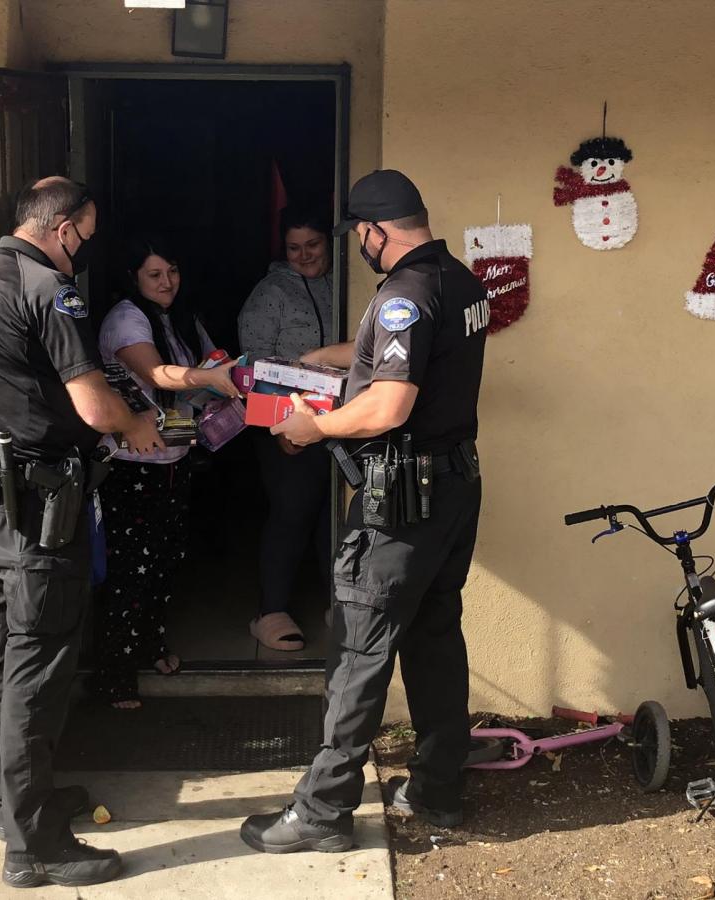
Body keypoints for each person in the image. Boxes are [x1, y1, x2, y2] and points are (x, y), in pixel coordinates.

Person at [239, 170, 489, 853]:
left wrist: (313, 429)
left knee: (357, 650)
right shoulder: (461, 283)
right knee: (436, 638)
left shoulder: (402, 296)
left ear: (378, 231)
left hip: (400, 505)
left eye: (361, 237)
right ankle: (438, 789)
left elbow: (389, 404)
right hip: (452, 492)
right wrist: (333, 357)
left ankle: (321, 814)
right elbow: (412, 357)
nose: (361, 249)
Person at [0, 177, 160, 888]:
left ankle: (20, 803)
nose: (84, 252)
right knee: (38, 671)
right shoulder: (47, 290)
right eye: (86, 237)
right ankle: (33, 848)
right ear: (64, 230)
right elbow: (94, 406)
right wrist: (137, 424)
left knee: (1, 657)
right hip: (41, 512)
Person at [90, 232, 238, 709]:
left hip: (172, 457)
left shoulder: (179, 316)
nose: (166, 281)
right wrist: (208, 377)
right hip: (133, 465)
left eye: (172, 271)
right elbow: (156, 375)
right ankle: (115, 676)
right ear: (133, 277)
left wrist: (228, 373)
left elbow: (210, 365)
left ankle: (149, 646)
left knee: (165, 562)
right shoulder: (126, 319)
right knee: (129, 571)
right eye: (154, 274)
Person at [237, 205, 334, 651]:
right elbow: (254, 364)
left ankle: (341, 604)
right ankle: (269, 610)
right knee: (292, 511)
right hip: (286, 423)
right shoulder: (269, 292)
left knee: (338, 515)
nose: (304, 255)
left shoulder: (346, 280)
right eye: (294, 247)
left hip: (342, 420)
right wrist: (280, 427)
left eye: (312, 244)